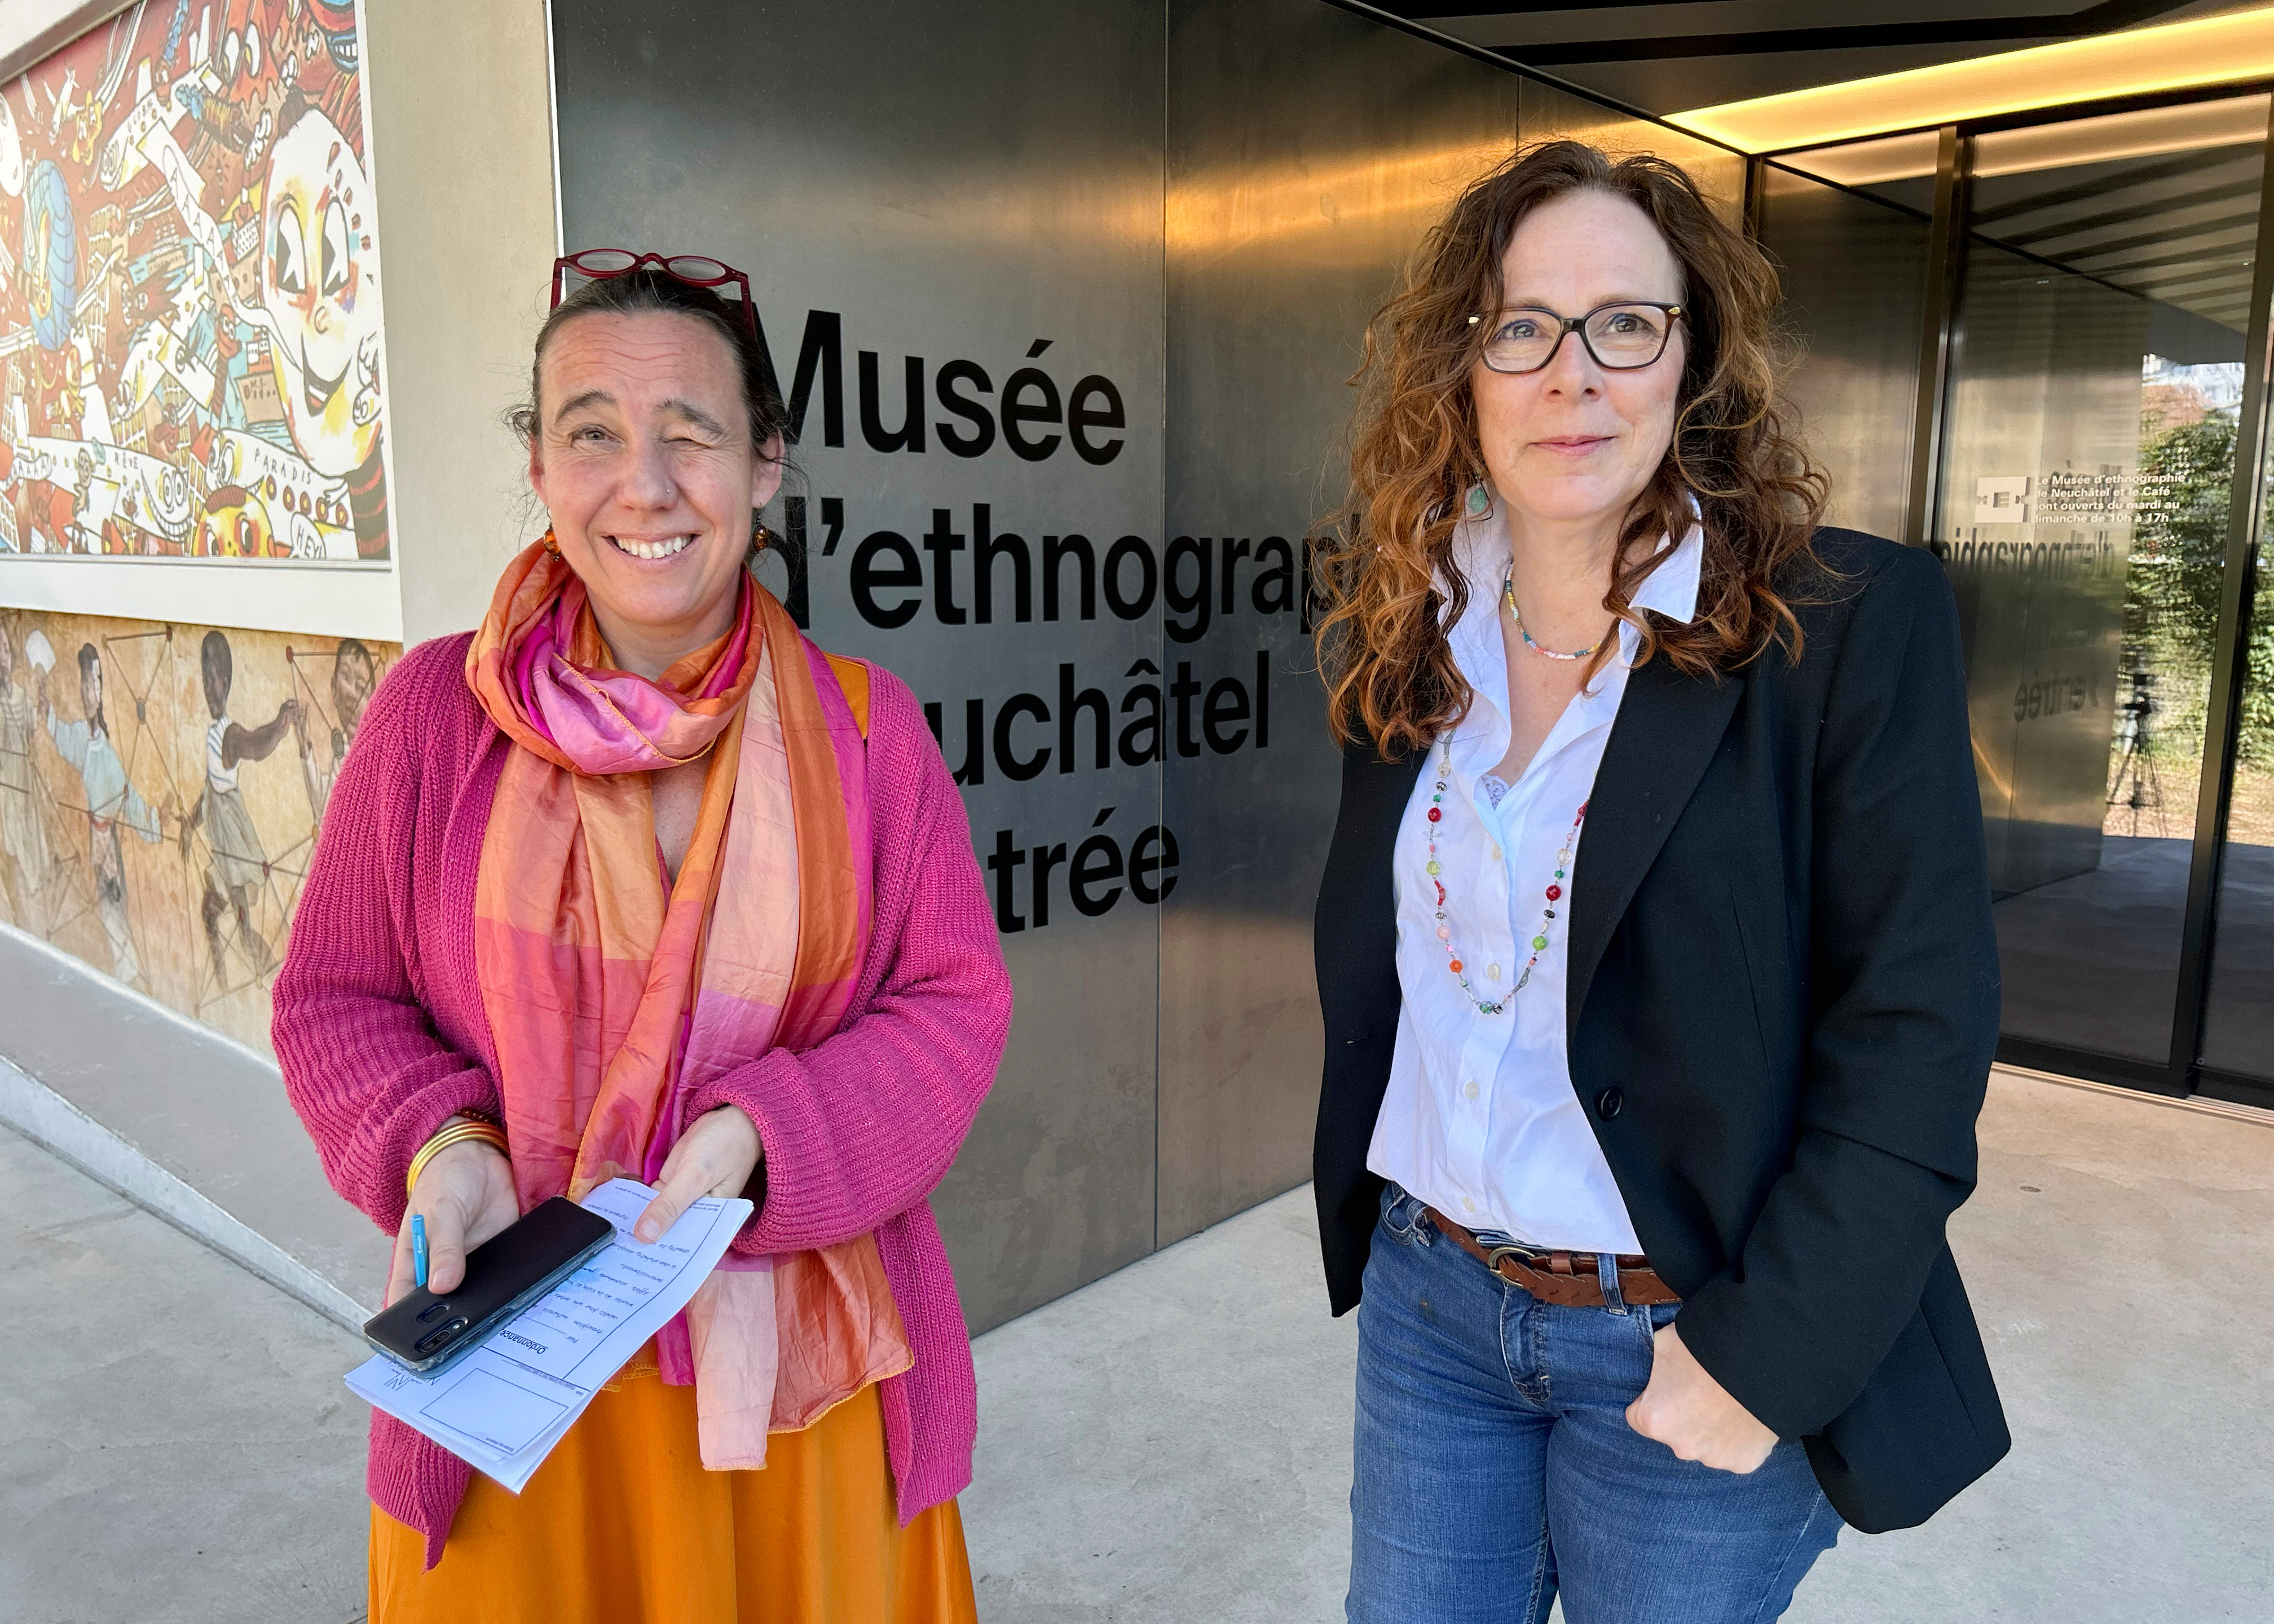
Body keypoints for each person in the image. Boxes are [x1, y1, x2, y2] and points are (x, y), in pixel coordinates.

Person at [1310, 142, 2007, 1623]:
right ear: (1464, 372)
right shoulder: (1405, 621)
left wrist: (1767, 1359)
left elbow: (1916, 1033)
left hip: (1690, 1327)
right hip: (1436, 1305)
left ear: (1691, 359)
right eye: (1520, 327)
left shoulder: (1844, 629)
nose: (1572, 375)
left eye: (1624, 323)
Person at [272, 256, 1011, 1623]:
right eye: (593, 432)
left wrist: (764, 1136)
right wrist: (446, 1148)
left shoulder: (867, 733)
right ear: (542, 469)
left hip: (801, 1399)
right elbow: (336, 1001)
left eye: (693, 436)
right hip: (510, 1399)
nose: (645, 484)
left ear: (768, 463)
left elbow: (951, 1011)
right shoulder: (434, 718)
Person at [38, 642, 169, 986]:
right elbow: (62, 735)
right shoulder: (83, 737)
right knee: (105, 901)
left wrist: (158, 820)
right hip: (94, 837)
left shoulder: (108, 753)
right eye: (83, 684)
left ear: (102, 689)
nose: (87, 692)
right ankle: (122, 969)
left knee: (114, 902)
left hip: (108, 840)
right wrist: (45, 705)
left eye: (93, 684)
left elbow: (131, 800)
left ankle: (128, 972)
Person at [182, 629, 298, 979]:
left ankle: (280, 980)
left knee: (240, 929)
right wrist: (190, 823)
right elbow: (210, 787)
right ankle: (224, 981)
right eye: (205, 680)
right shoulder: (214, 733)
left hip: (234, 847)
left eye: (215, 680)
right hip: (224, 845)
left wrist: (279, 725)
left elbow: (255, 744)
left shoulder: (230, 734)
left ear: (228, 682)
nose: (208, 689)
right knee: (215, 917)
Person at [0, 618, 52, 929]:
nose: (2, 657)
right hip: (5, 791)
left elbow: (34, 725)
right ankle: (16, 922)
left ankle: (26, 926)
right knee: (9, 852)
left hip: (24, 788)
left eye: (5, 649)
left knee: (30, 853)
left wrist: (42, 697)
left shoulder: (20, 695)